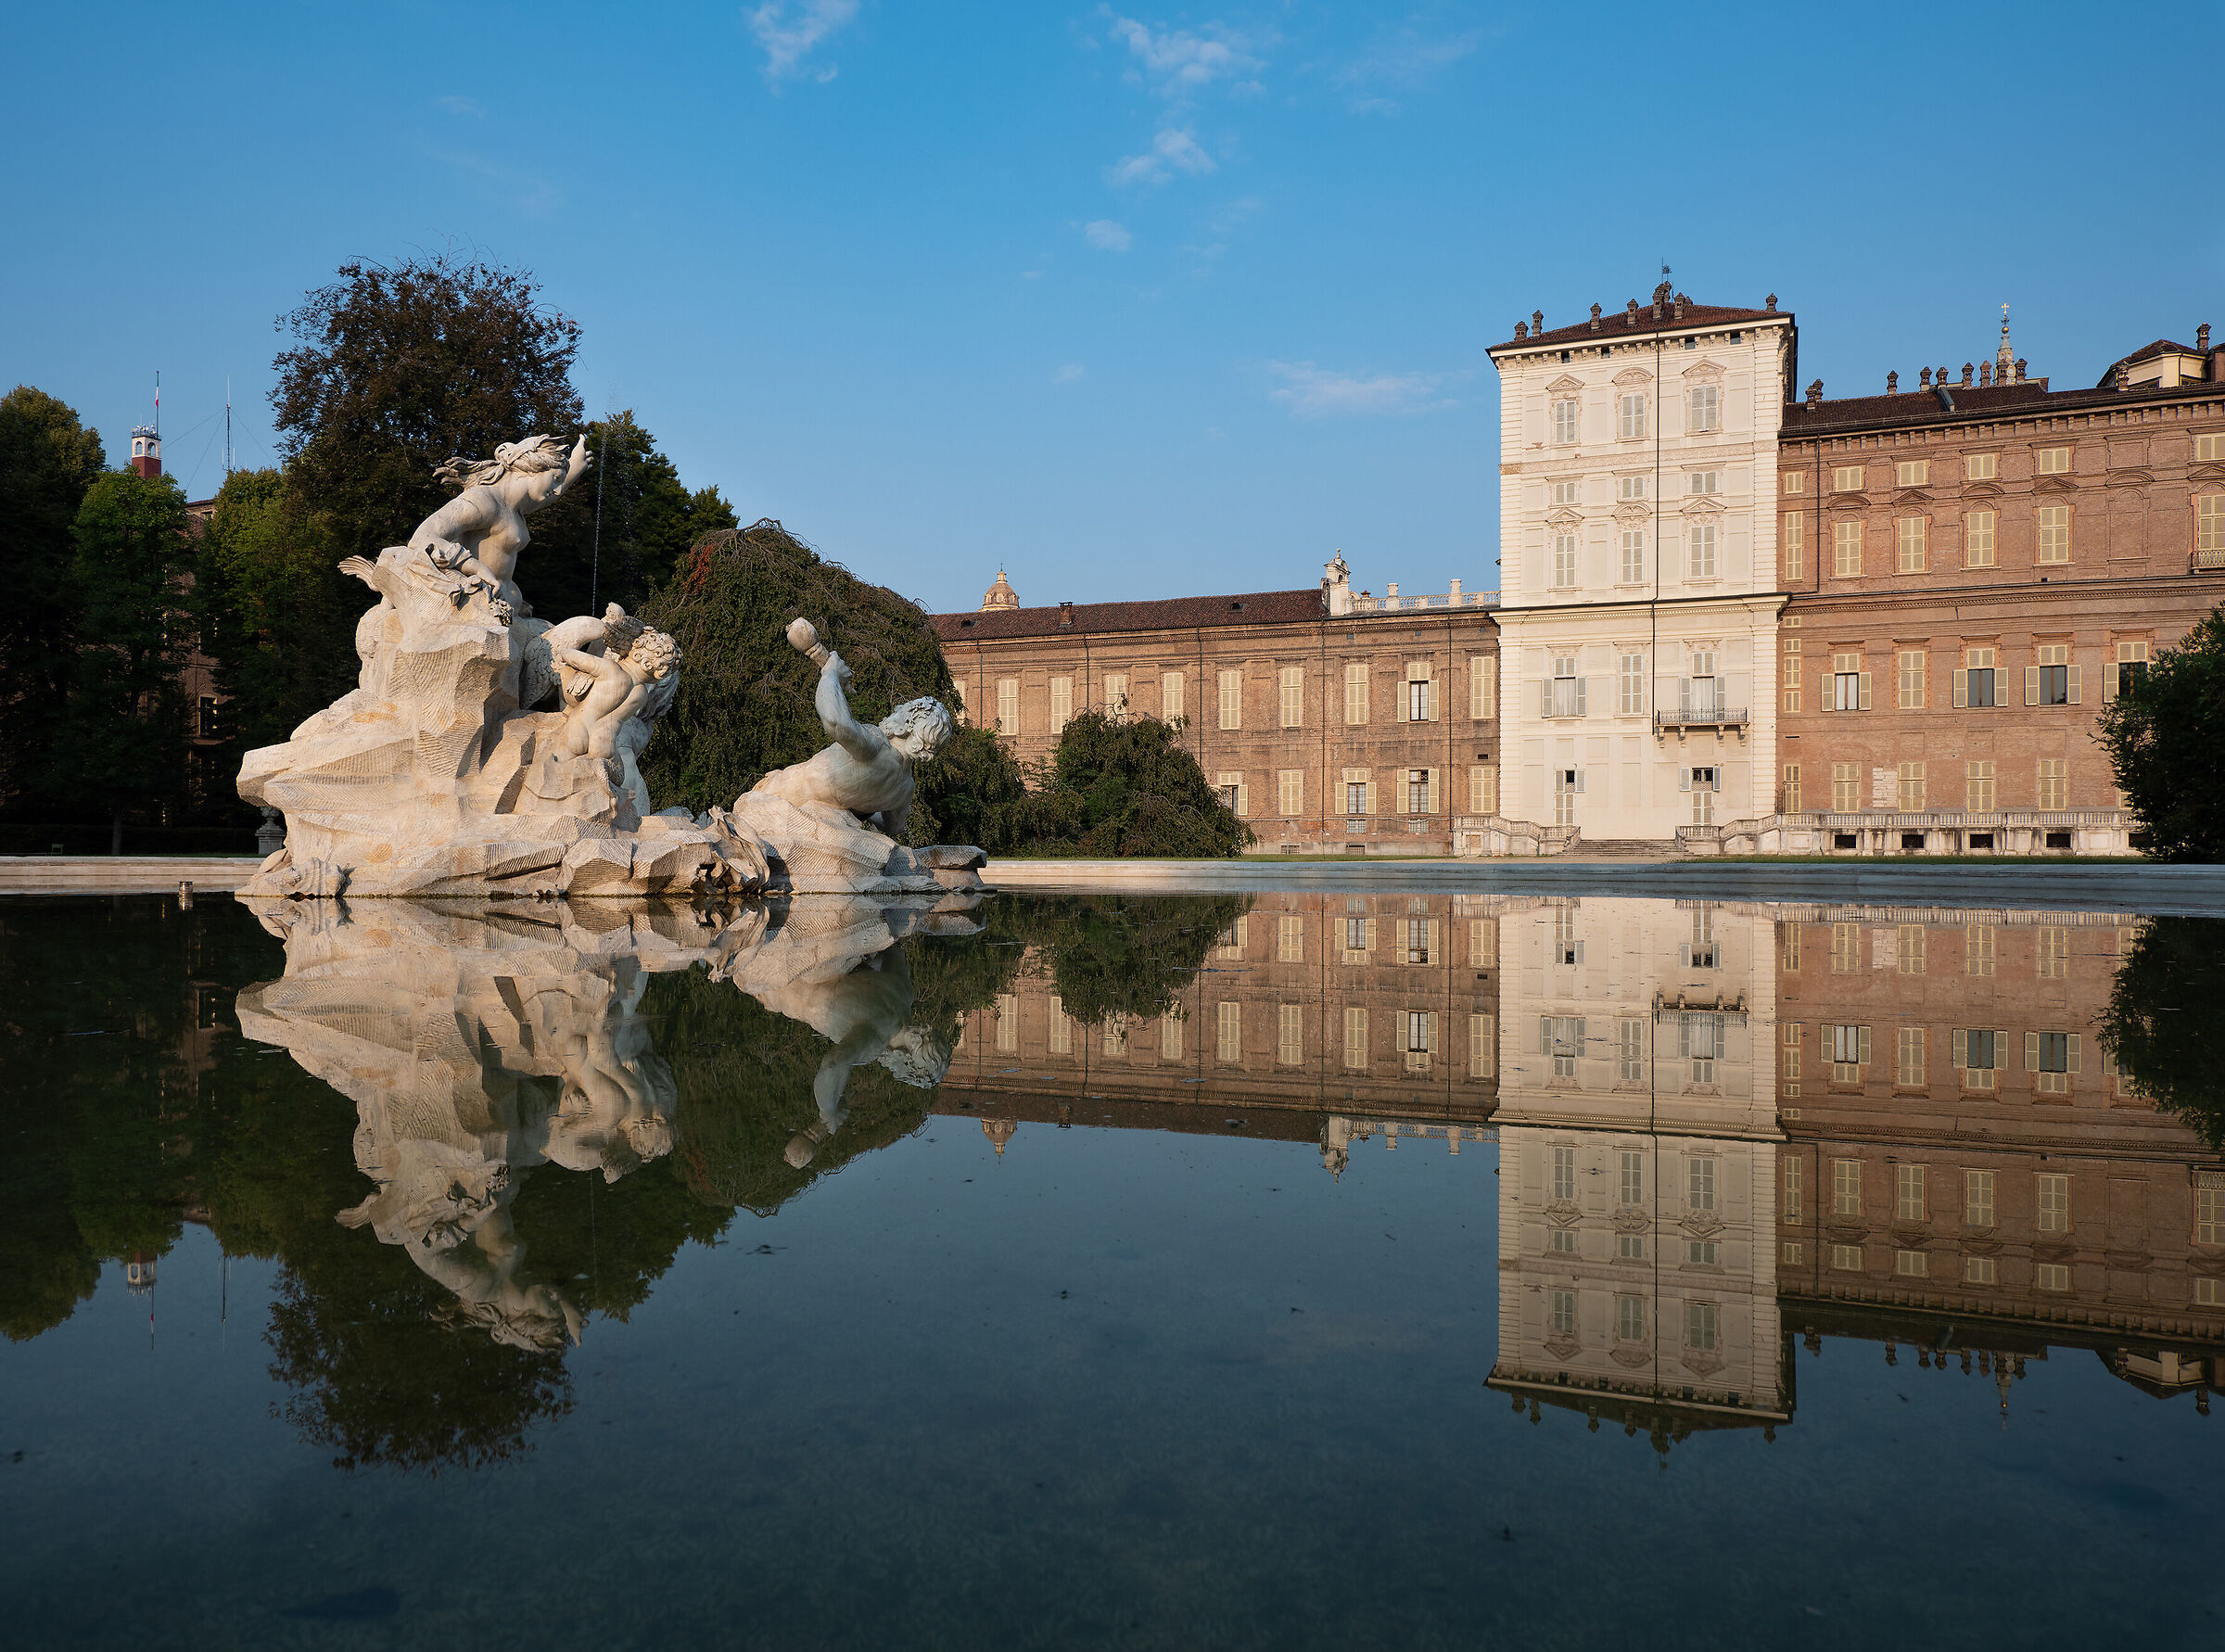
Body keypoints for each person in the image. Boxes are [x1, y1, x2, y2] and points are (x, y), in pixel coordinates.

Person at [749, 648, 952, 840]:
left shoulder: (877, 745)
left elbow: (835, 722)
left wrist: (830, 672)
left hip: (772, 800)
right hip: (810, 822)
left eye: (900, 710)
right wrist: (862, 809)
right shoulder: (905, 789)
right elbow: (894, 826)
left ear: (906, 725)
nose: (894, 710)